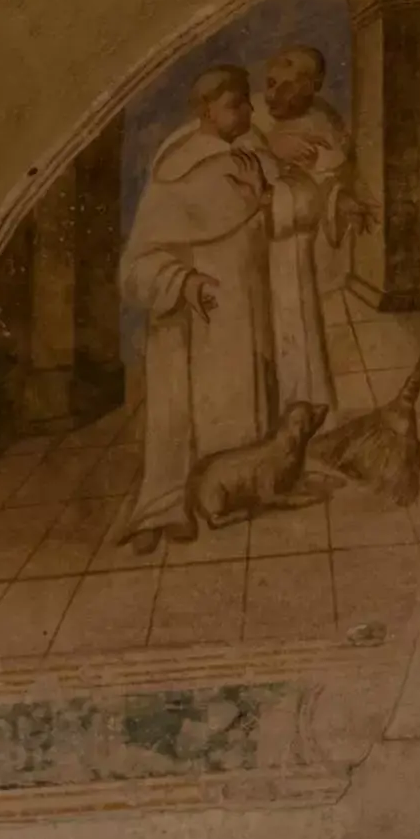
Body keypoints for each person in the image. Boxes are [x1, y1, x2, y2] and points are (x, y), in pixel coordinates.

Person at [121, 65, 306, 548]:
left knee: (248, 396)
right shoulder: (176, 171)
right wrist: (182, 282)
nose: (249, 110)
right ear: (206, 111)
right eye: (236, 104)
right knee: (180, 411)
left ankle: (240, 490)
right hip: (192, 317)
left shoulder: (254, 151)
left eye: (248, 101)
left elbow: (287, 206)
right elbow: (139, 264)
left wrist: (265, 196)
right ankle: (165, 509)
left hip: (248, 308)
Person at [255, 45, 375, 412]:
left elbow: (327, 180)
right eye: (273, 83)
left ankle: (303, 412)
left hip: (293, 252)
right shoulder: (252, 115)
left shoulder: (326, 123)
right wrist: (271, 147)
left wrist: (342, 201)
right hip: (250, 248)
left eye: (292, 84)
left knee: (296, 335)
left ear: (313, 86)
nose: (277, 94)